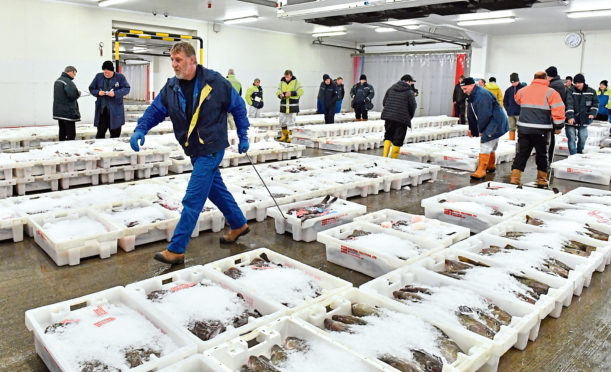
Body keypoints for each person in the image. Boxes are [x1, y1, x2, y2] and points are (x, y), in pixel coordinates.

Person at [130, 42, 250, 265]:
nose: (174, 65)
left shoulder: (216, 83)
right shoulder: (172, 87)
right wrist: (141, 128)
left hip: (211, 148)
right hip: (193, 148)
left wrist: (243, 135)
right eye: (172, 60)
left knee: (193, 199)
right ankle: (238, 224)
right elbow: (156, 109)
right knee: (216, 190)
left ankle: (176, 249)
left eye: (179, 60)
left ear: (192, 60)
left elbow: (238, 106)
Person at [510, 71, 565, 188]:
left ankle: (515, 178)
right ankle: (542, 180)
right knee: (542, 155)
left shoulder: (523, 90)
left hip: (524, 128)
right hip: (542, 130)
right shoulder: (551, 92)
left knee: (521, 153)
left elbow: (517, 100)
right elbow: (558, 109)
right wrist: (558, 126)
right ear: (546, 79)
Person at [461, 77, 509, 180]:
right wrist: (472, 129)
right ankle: (490, 165)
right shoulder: (473, 95)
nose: (464, 91)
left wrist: (481, 130)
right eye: (463, 89)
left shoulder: (482, 95)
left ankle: (481, 170)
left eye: (465, 89)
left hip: (495, 122)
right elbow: (471, 113)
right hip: (494, 121)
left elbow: (484, 115)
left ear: (472, 85)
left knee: (485, 142)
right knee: (491, 143)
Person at [89, 61, 130, 139]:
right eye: (104, 72)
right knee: (100, 133)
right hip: (102, 110)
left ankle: (115, 149)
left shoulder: (120, 77)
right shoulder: (98, 77)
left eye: (108, 72)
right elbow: (91, 88)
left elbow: (127, 89)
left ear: (112, 71)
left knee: (115, 134)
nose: (106, 74)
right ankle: (100, 149)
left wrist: (115, 93)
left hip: (115, 111)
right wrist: (98, 92)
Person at [381, 74, 417, 159]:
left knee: (388, 135)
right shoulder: (409, 92)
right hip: (401, 119)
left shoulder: (391, 88)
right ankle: (393, 160)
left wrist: (390, 111)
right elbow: (413, 106)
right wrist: (409, 116)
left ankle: (384, 157)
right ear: (408, 82)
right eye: (411, 82)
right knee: (398, 139)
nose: (411, 84)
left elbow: (384, 102)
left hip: (389, 117)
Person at [565, 74, 599, 155]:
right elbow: (568, 104)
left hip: (584, 118)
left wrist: (592, 113)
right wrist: (570, 117)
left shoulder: (592, 92)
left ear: (583, 82)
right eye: (575, 83)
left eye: (579, 83)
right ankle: (573, 155)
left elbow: (595, 103)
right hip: (571, 119)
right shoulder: (570, 91)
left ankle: (579, 152)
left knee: (583, 137)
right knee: (571, 137)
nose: (577, 85)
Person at [545, 66, 567, 165]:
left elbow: (550, 101)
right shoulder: (558, 83)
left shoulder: (554, 85)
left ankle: (548, 159)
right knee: (550, 137)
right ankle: (548, 159)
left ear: (549, 76)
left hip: (552, 114)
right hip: (554, 114)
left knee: (550, 138)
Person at [53, 66, 81, 141]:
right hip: (68, 113)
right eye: (74, 74)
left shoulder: (58, 81)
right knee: (71, 134)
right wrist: (79, 93)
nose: (74, 76)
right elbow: (73, 95)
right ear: (71, 72)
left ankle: (61, 148)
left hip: (59, 112)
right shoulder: (68, 82)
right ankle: (69, 149)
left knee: (62, 132)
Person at [276, 69, 304, 143]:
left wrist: (291, 93)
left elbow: (301, 92)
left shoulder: (296, 82)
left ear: (291, 76)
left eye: (288, 77)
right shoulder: (281, 83)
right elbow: (278, 91)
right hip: (284, 106)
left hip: (292, 106)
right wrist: (280, 95)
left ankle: (290, 137)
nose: (286, 78)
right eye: (286, 77)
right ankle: (284, 135)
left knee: (291, 123)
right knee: (282, 121)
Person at [503, 73, 523, 140]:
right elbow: (505, 101)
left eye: (514, 82)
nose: (513, 83)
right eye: (512, 82)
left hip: (520, 113)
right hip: (511, 113)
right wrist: (507, 109)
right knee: (511, 127)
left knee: (521, 128)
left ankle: (521, 140)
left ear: (518, 80)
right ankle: (511, 140)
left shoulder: (523, 89)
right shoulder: (508, 90)